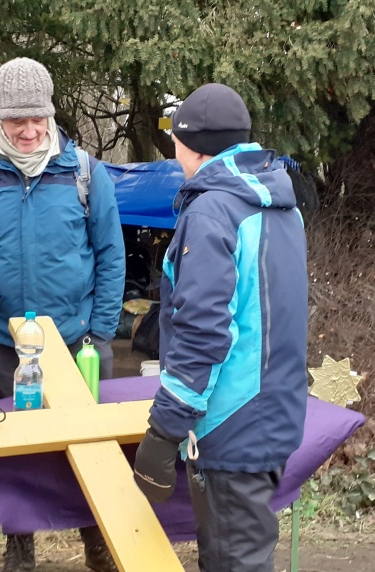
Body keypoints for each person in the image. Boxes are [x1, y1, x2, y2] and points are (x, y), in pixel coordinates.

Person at [0, 57, 125, 572]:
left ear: (50, 116)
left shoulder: (86, 174)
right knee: (18, 450)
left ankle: (99, 539)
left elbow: (112, 256)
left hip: (78, 342)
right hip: (6, 345)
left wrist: (100, 333)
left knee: (91, 447)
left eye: (36, 119)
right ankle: (19, 545)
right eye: (15, 120)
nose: (27, 131)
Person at [131, 83, 309, 572]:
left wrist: (165, 429)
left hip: (232, 420)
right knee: (239, 553)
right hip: (275, 409)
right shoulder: (281, 205)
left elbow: (203, 331)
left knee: (234, 561)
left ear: (190, 145)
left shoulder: (213, 210)